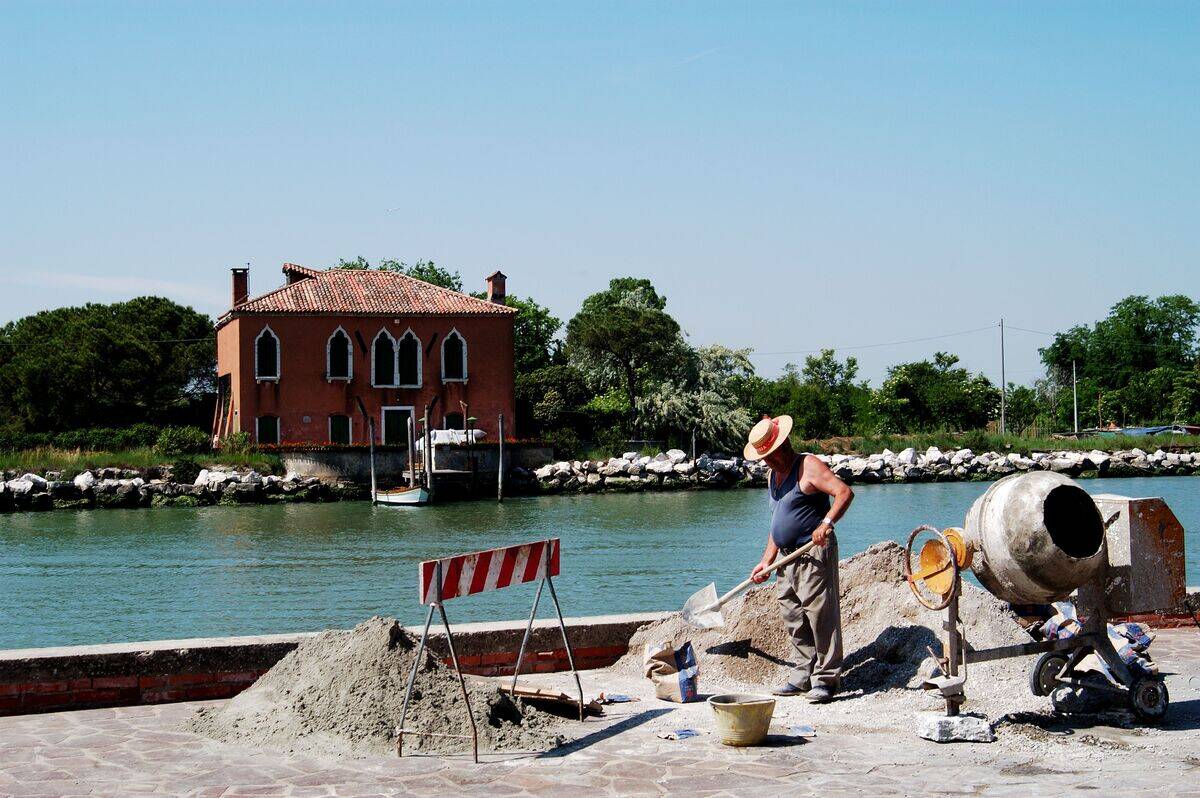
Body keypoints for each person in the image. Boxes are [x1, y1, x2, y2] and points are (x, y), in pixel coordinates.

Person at [745, 414, 854, 703]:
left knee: (821, 615)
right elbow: (778, 521)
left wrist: (826, 524)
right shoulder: (772, 476)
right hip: (786, 557)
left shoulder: (808, 466)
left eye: (770, 455)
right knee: (792, 615)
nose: (767, 462)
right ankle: (802, 674)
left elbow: (844, 493)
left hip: (812, 551)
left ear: (783, 446)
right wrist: (766, 559)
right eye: (763, 457)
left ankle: (827, 679)